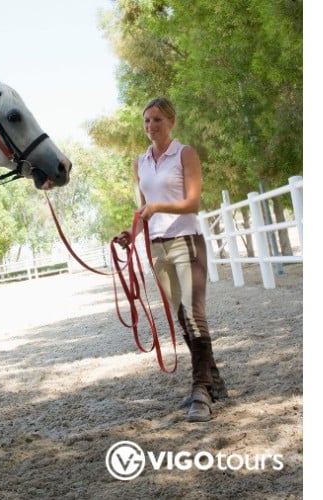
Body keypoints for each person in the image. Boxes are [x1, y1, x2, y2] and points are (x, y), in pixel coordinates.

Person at [130, 97, 228, 422]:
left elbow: (192, 202)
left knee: (195, 315)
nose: (150, 126)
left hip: (186, 240)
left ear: (171, 122)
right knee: (183, 319)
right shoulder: (139, 162)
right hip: (156, 246)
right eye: (146, 121)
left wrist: (158, 208)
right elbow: (143, 210)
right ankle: (213, 380)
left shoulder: (185, 154)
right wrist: (128, 233)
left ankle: (201, 388)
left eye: (157, 119)